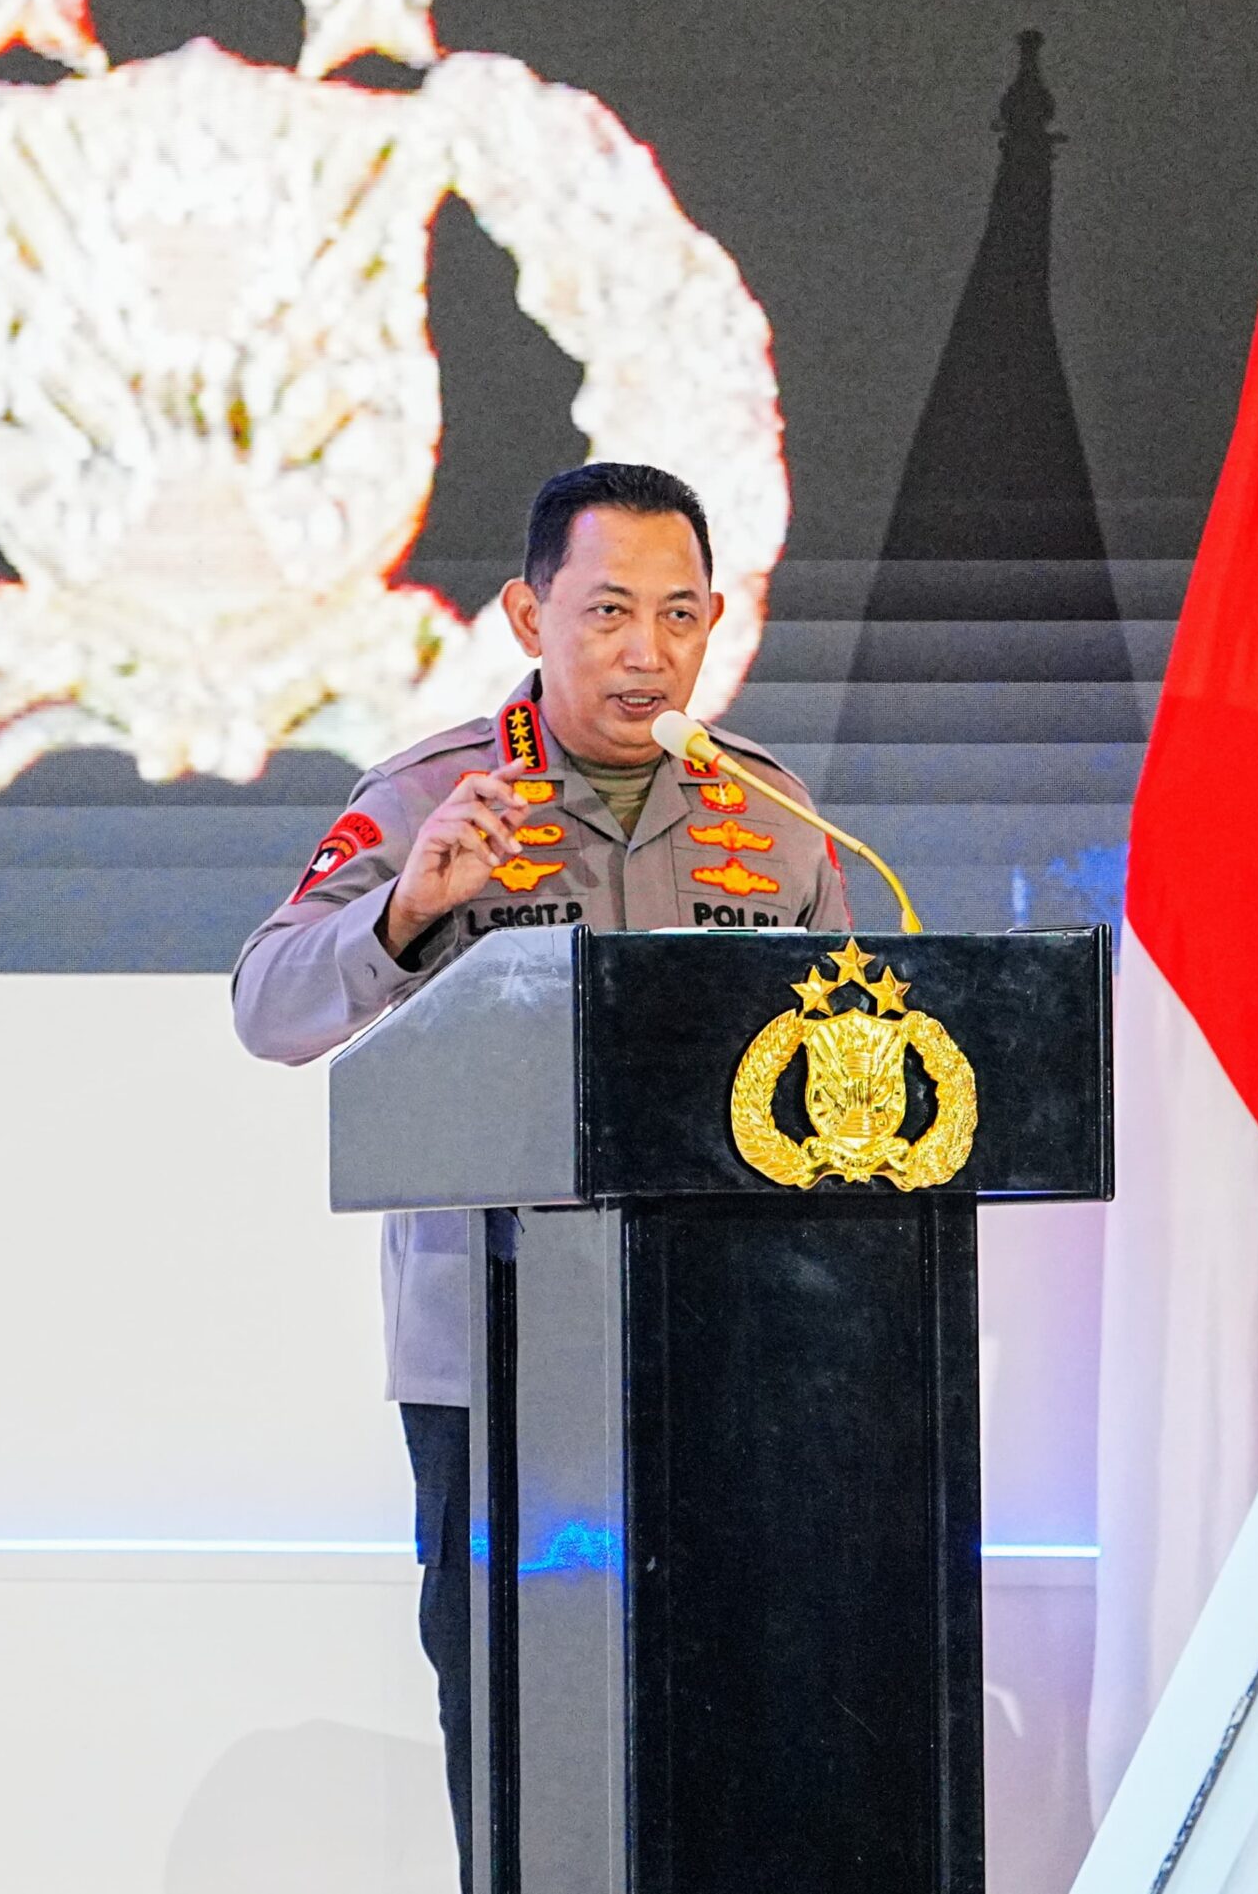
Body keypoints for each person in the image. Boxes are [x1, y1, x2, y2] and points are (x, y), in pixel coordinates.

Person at [229, 461, 851, 1887]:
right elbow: (268, 1005)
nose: (648, 652)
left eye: (680, 615)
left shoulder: (776, 819)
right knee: (524, 1750)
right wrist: (408, 907)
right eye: (609, 611)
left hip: (723, 1355)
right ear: (529, 614)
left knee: (727, 1732)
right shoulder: (432, 798)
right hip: (496, 1368)